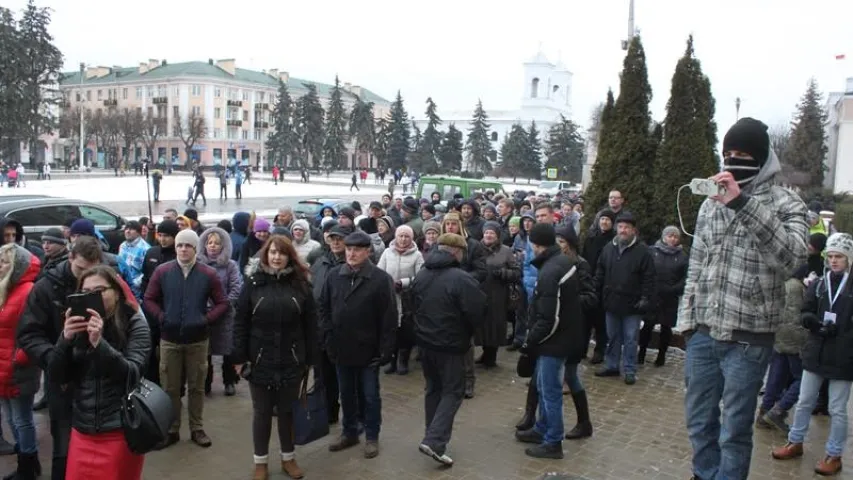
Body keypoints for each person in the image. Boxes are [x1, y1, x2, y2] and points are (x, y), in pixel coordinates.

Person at [679, 117, 808, 480]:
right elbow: (697, 264)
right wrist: (687, 322)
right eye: (728, 153)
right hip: (704, 333)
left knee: (734, 430)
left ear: (762, 158)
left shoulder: (787, 204)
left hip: (748, 339)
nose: (734, 160)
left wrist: (744, 204)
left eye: (743, 154)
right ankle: (704, 474)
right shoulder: (710, 204)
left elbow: (793, 259)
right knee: (699, 420)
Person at [17, 236, 104, 480]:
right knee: (64, 450)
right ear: (70, 258)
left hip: (99, 376)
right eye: (80, 270)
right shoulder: (45, 287)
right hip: (62, 382)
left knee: (100, 448)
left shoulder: (103, 283)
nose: (84, 278)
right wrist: (55, 359)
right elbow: (29, 334)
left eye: (92, 271)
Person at [52, 266, 150, 480]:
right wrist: (64, 339)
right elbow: (57, 376)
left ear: (116, 292)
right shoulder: (78, 327)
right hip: (82, 430)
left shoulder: (135, 324)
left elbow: (131, 375)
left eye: (99, 290)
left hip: (119, 430)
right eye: (86, 292)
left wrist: (99, 344)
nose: (92, 297)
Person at [234, 235, 316, 480]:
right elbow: (240, 322)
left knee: (287, 412)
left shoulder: (300, 284)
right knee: (262, 413)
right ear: (265, 255)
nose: (276, 257)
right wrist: (238, 358)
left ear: (289, 256)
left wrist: (310, 358)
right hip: (260, 358)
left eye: (281, 253)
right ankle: (260, 462)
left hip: (291, 359)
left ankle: (288, 458)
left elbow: (311, 324)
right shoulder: (253, 282)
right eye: (272, 252)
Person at [771, 233, 853, 476]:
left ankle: (834, 454)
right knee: (805, 400)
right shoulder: (818, 284)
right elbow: (806, 310)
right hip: (815, 351)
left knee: (837, 409)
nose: (835, 260)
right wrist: (812, 322)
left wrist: (843, 334)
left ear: (849, 259)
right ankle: (795, 442)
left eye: (840, 256)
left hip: (843, 358)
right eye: (831, 256)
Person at [143, 229, 229, 449]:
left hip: (198, 341)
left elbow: (222, 303)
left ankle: (197, 428)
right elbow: (149, 299)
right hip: (169, 339)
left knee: (197, 387)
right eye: (180, 245)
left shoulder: (207, 274)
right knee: (170, 388)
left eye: (188, 246)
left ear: (195, 248)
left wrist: (205, 319)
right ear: (175, 247)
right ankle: (171, 430)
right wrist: (162, 317)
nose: (183, 249)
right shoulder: (163, 272)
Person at [321, 231, 397, 459]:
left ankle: (372, 436)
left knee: (370, 395)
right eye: (348, 250)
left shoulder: (380, 279)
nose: (352, 254)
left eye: (357, 250)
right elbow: (323, 308)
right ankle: (349, 432)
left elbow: (389, 317)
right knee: (346, 394)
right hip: (341, 348)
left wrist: (386, 349)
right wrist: (328, 338)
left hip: (368, 350)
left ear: (367, 252)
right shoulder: (335, 275)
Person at [411, 233, 485, 466]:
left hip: (425, 343)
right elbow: (477, 311)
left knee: (433, 388)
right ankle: (434, 440)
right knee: (453, 391)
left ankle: (431, 434)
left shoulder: (422, 274)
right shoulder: (461, 278)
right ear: (455, 251)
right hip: (451, 345)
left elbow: (412, 304)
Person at [514, 223, 583, 459]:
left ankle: (553, 441)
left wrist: (529, 341)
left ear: (536, 245)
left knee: (550, 391)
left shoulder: (551, 271)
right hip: (560, 338)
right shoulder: (561, 262)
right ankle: (542, 429)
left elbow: (549, 318)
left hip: (555, 341)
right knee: (544, 387)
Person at [593, 213, 655, 385]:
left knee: (630, 339)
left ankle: (629, 370)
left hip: (632, 304)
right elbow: (600, 271)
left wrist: (645, 298)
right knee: (612, 336)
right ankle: (612, 365)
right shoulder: (608, 248)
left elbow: (649, 277)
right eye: (620, 227)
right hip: (611, 301)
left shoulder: (643, 251)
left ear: (634, 230)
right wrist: (595, 290)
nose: (623, 230)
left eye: (627, 227)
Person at [0, 244, 42, 478]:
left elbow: (35, 331)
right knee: (10, 417)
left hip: (18, 367)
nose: (0, 266)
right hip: (2, 364)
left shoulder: (27, 291)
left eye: (5, 262)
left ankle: (27, 465)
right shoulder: (4, 289)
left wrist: (20, 358)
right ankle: (26, 460)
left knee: (21, 418)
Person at [197, 228, 242, 396]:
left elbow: (236, 287)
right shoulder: (199, 265)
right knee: (205, 351)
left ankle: (229, 381)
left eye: (217, 243)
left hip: (225, 314)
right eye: (210, 243)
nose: (213, 246)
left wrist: (224, 305)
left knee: (227, 350)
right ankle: (205, 383)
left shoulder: (230, 265)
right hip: (205, 314)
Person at [376, 225, 424, 375]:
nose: (403, 239)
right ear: (396, 237)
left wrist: (403, 282)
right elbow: (379, 272)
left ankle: (403, 360)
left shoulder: (417, 255)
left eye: (407, 237)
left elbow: (421, 277)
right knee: (391, 329)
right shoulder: (386, 252)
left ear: (411, 239)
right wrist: (386, 285)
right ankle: (391, 360)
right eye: (400, 236)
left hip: (407, 299)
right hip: (389, 297)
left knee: (405, 330)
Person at [638, 226, 687, 367]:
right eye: (669, 236)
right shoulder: (652, 251)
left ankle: (661, 355)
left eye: (675, 237)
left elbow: (685, 277)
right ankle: (641, 352)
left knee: (666, 328)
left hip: (669, 298)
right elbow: (645, 270)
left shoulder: (682, 256)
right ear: (663, 237)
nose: (672, 239)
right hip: (653, 295)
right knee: (647, 325)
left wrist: (675, 289)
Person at [476, 221, 519, 368]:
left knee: (495, 325)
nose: (488, 235)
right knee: (481, 325)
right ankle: (484, 352)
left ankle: (491, 356)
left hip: (498, 294)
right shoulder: (476, 248)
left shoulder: (506, 251)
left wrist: (503, 273)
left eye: (492, 233)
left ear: (497, 236)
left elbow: (517, 272)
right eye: (486, 232)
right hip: (480, 291)